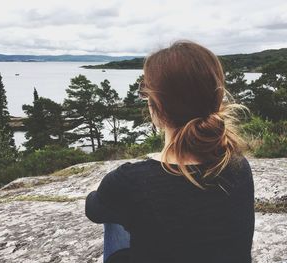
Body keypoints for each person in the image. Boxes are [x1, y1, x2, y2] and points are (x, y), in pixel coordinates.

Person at [85, 40, 255, 263]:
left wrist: (99, 189)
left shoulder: (131, 181)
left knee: (114, 210)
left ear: (157, 107)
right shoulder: (238, 165)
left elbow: (93, 210)